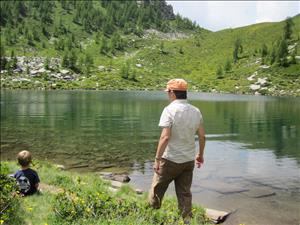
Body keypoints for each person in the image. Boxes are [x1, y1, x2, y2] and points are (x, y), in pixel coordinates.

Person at [148, 78, 206, 223]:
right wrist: (200, 155)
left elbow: (165, 138)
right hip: (188, 160)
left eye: (168, 92)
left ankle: (150, 218)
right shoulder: (196, 111)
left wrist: (157, 159)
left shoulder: (169, 110)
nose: (167, 94)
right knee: (185, 193)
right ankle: (186, 220)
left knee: (157, 190)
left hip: (170, 160)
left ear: (173, 93)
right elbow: (202, 136)